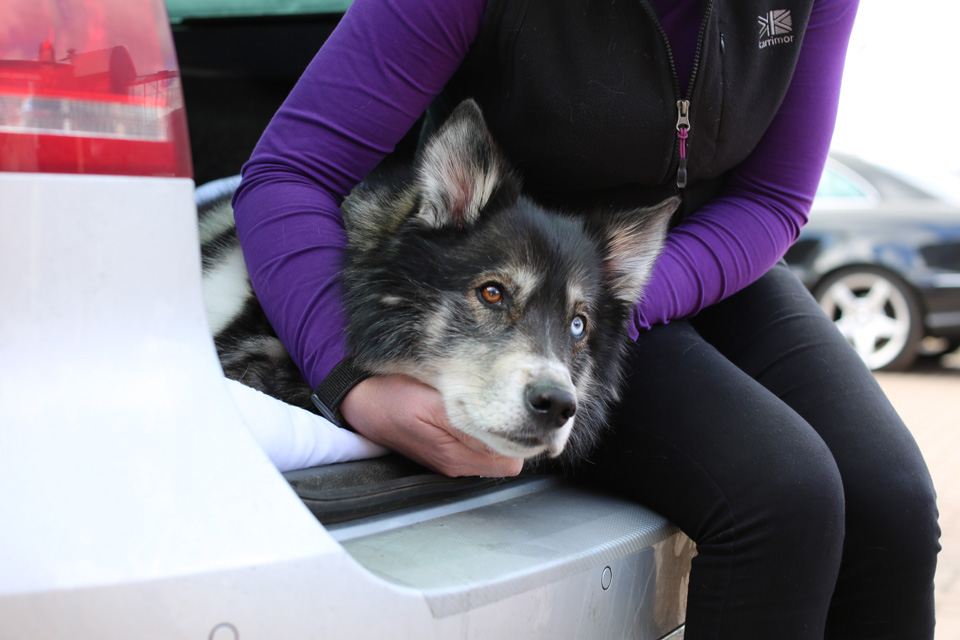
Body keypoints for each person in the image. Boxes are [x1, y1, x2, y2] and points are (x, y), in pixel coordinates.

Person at [232, 0, 941, 637]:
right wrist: (351, 378)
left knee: (894, 504)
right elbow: (292, 170)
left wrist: (610, 304)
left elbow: (776, 196)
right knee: (786, 496)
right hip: (516, 261)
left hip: (673, 269)